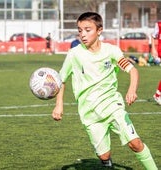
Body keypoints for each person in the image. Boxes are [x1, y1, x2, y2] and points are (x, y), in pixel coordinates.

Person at [52, 12, 158, 169]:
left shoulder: (111, 51)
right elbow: (61, 80)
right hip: (89, 113)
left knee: (135, 143)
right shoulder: (74, 54)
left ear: (99, 30)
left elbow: (132, 70)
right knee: (104, 156)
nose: (83, 34)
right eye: (80, 30)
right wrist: (59, 104)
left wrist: (132, 90)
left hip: (112, 106)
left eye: (88, 30)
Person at [151, 21, 161, 105]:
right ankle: (157, 95)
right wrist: (153, 49)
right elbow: (153, 36)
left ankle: (157, 94)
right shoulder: (158, 24)